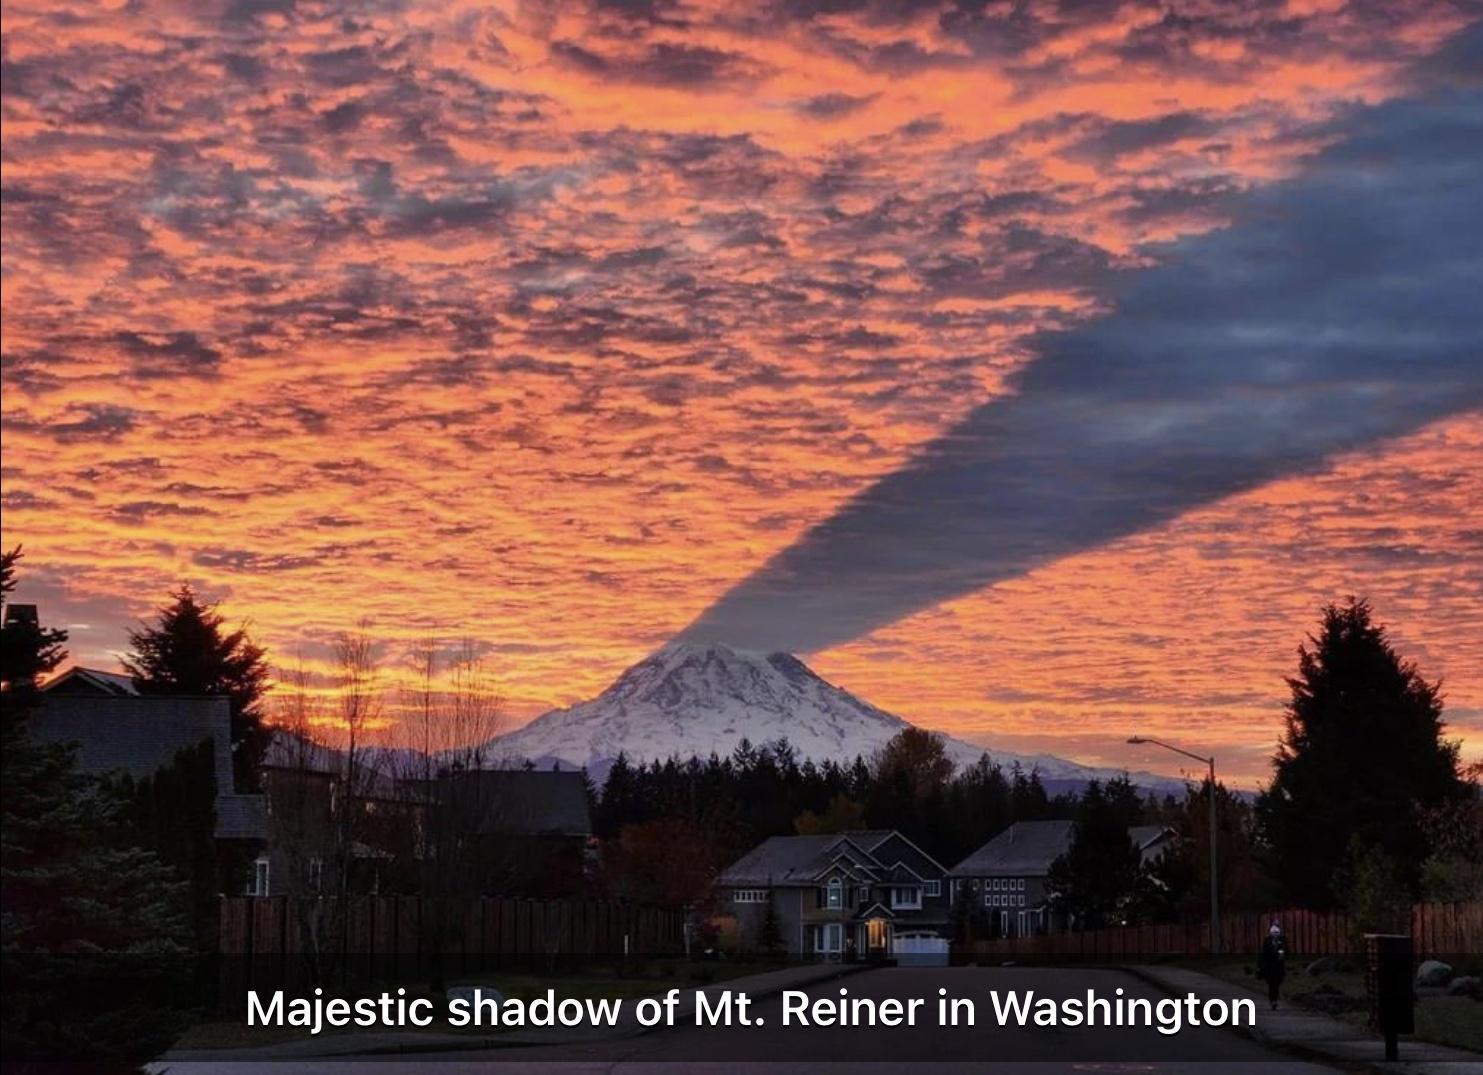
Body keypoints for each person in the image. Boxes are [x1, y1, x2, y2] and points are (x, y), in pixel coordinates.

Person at [1257, 922, 1288, 1010]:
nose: (1275, 935)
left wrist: (1281, 952)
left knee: (1277, 984)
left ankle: (1274, 1000)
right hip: (1269, 966)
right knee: (1271, 985)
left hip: (1278, 966)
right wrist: (1260, 965)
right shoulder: (1267, 940)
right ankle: (1273, 1001)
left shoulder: (1282, 940)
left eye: (1277, 933)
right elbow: (1263, 953)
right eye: (1273, 932)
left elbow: (1285, 952)